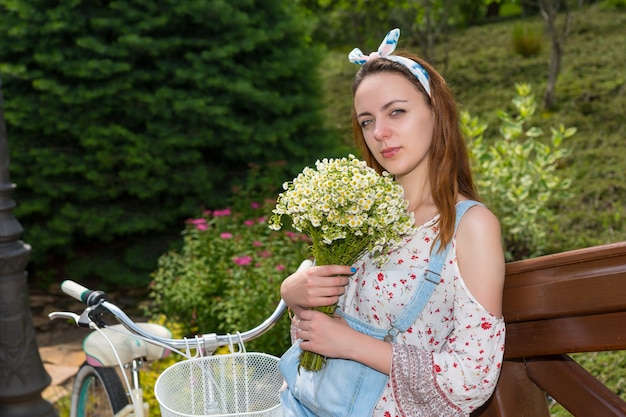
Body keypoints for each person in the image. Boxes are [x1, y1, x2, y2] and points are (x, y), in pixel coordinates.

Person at [278, 28, 506, 417]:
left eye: (396, 112)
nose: (380, 133)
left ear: (437, 111)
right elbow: (320, 333)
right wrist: (295, 295)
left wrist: (351, 344)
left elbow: (473, 379)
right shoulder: (361, 215)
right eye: (367, 121)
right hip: (301, 404)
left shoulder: (470, 227)